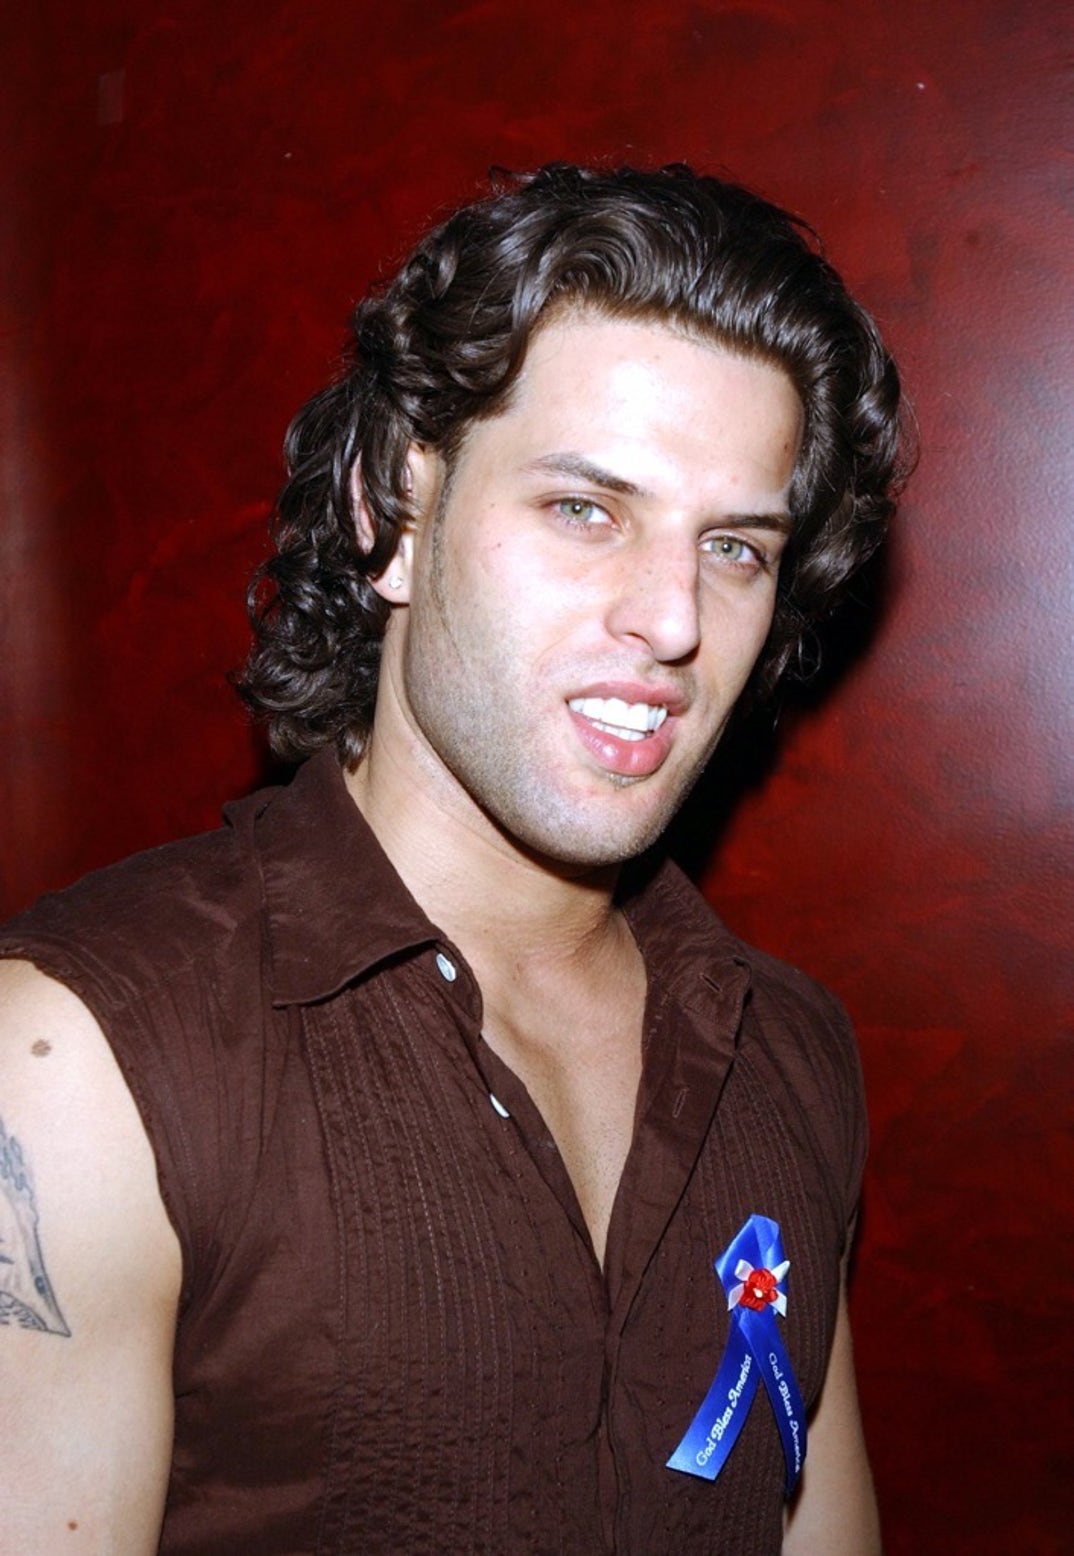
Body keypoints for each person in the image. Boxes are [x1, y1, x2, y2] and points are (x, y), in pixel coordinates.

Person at [0, 163, 906, 1554]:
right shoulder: (80, 1063)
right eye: (585, 509)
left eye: (733, 545)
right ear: (392, 516)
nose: (673, 618)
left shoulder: (786, 1051)